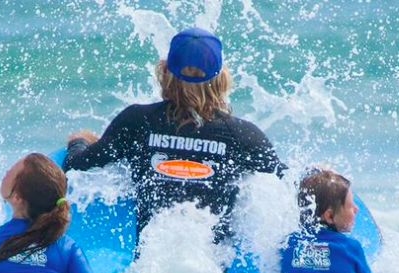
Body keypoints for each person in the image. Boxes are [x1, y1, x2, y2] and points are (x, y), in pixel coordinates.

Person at [63, 27, 284, 242]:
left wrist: (78, 141)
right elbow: (287, 186)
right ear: (222, 78)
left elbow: (76, 164)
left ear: (165, 72)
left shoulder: (136, 121)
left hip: (151, 265)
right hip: (213, 271)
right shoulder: (242, 134)